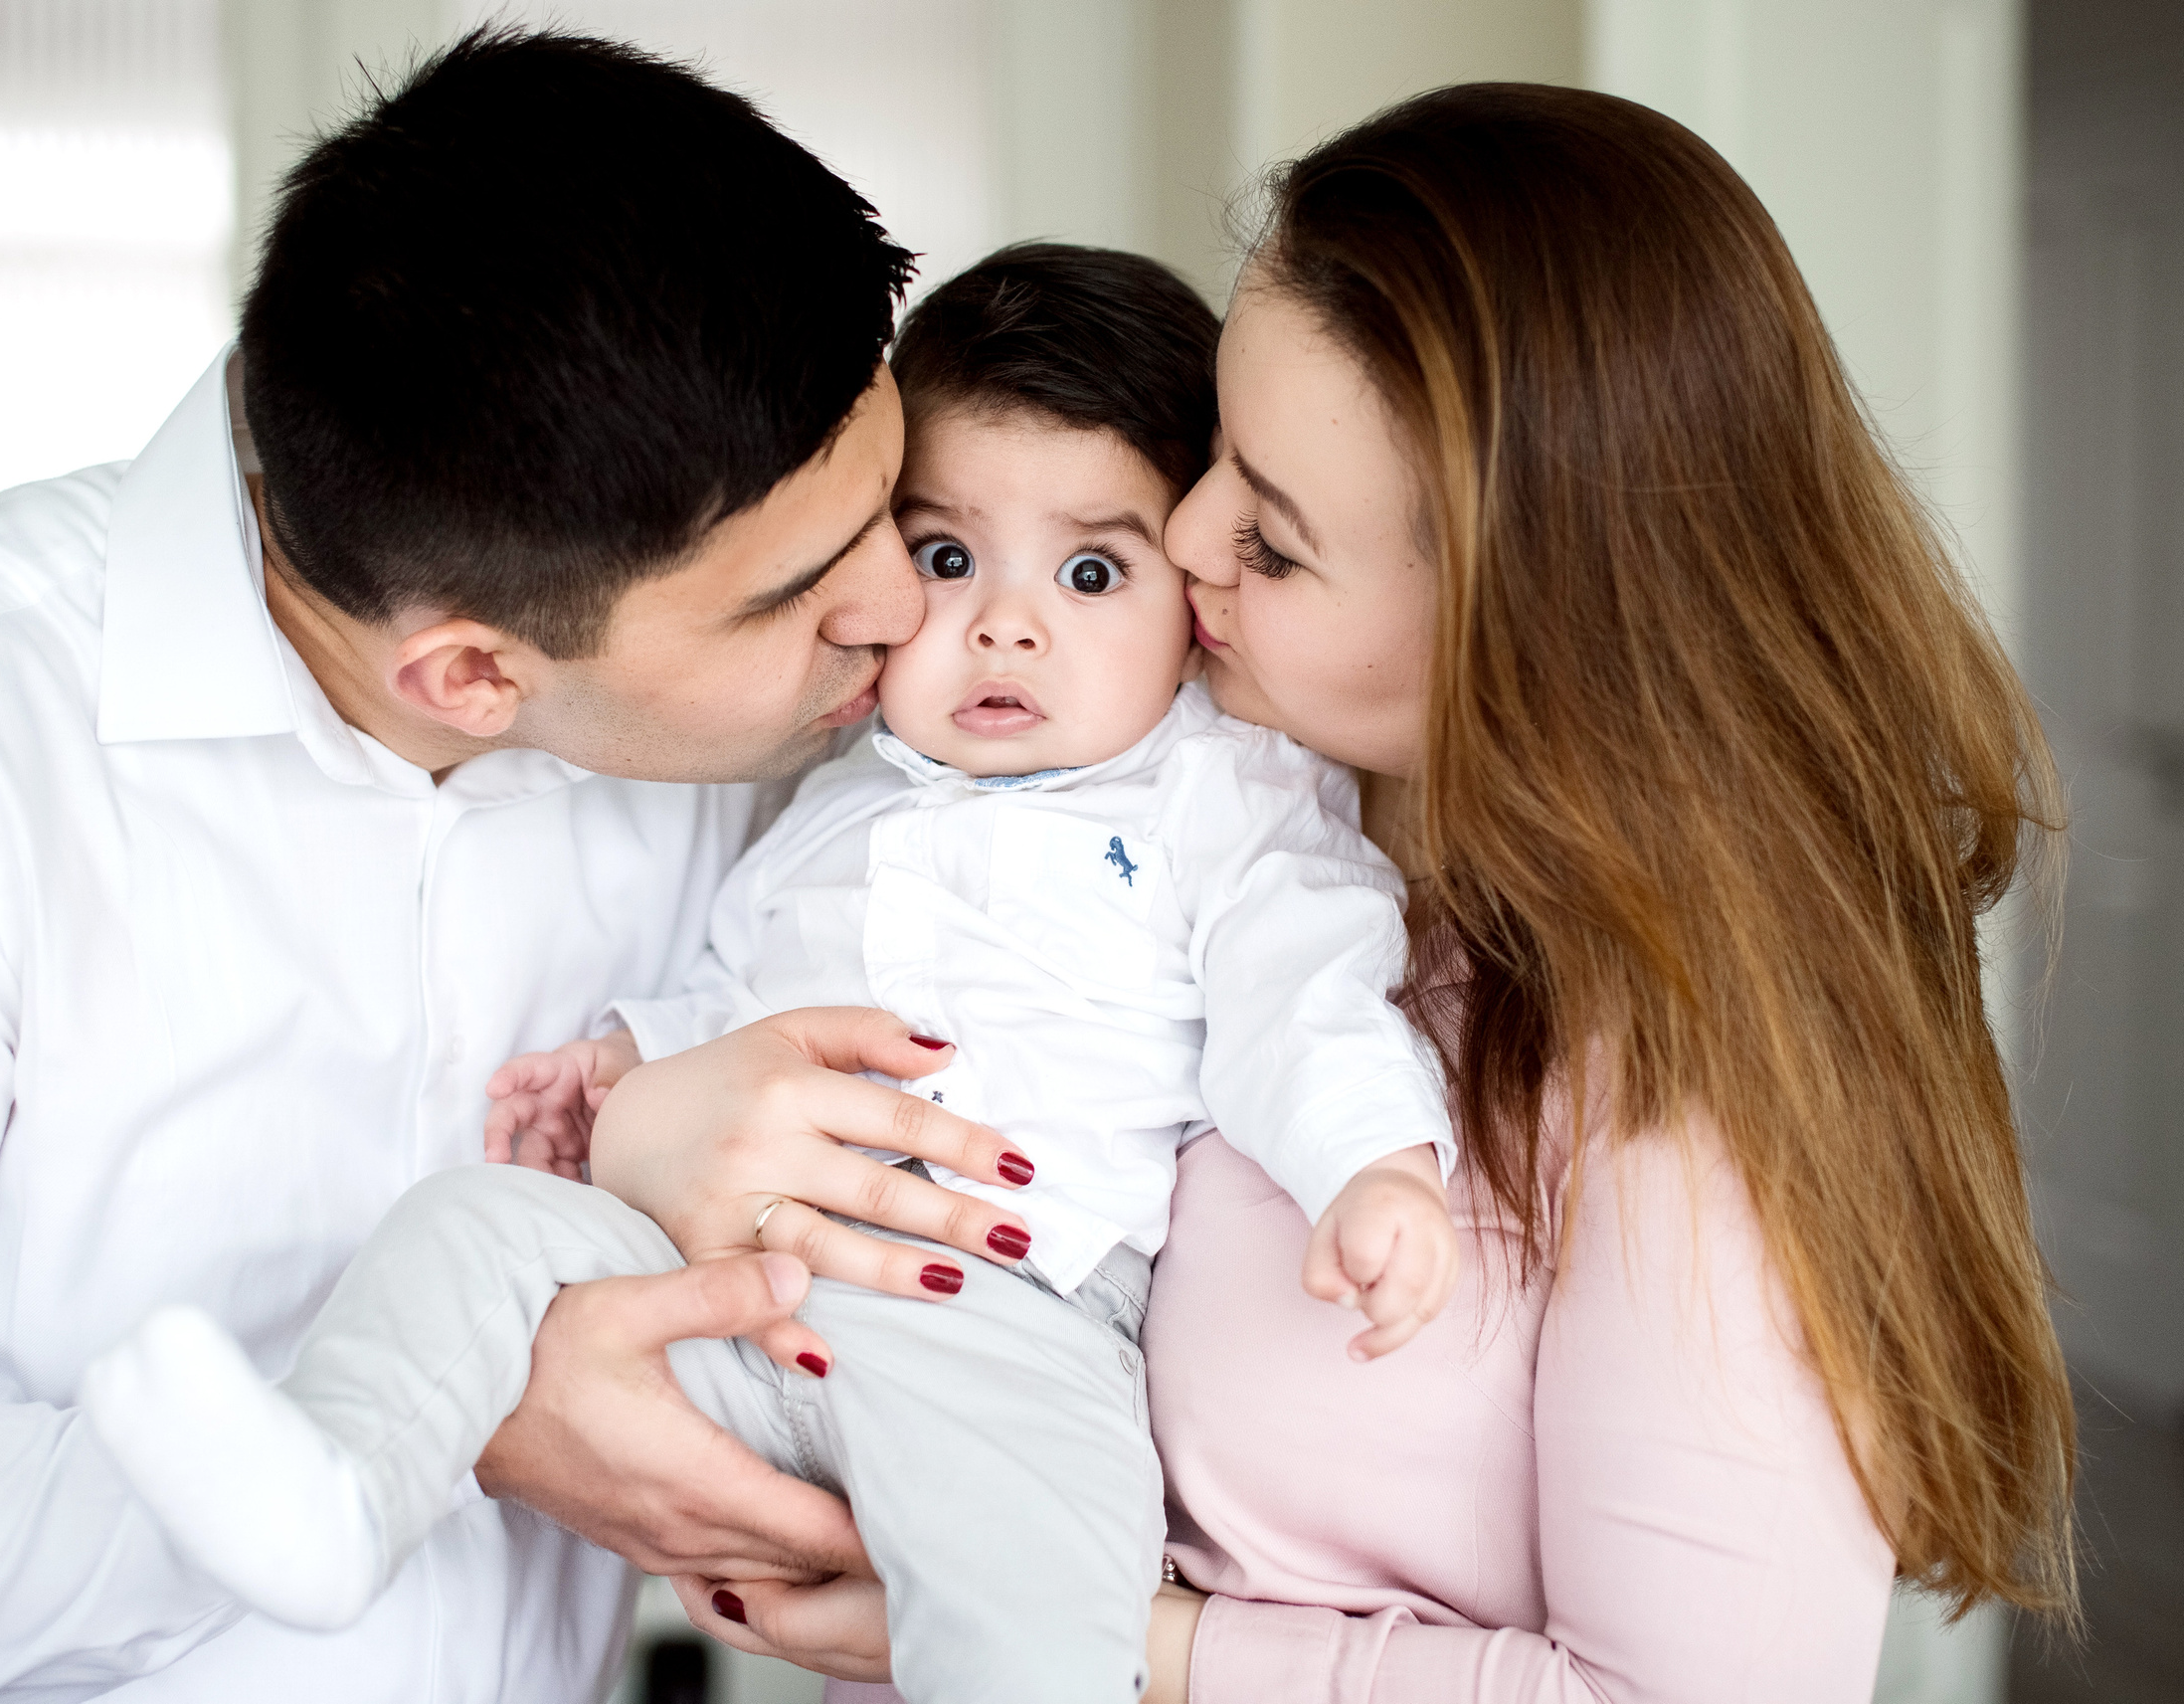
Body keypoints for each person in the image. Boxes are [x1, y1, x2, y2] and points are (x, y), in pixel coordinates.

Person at [0, 30, 1039, 1703]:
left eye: (893, 505)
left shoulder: (796, 726)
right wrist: (438, 1418)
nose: (902, 604)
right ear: (471, 676)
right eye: (797, 588)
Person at [696, 85, 2081, 1703]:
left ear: (1518, 621)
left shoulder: (1689, 1067)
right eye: (1220, 450)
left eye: (1274, 541)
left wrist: (1104, 1636)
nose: (1187, 534)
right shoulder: (1213, 811)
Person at [76, 243, 1460, 1704]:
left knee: (1038, 1610)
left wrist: (1371, 1161)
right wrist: (626, 1062)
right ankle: (344, 1483)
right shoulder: (838, 790)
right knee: (469, 1228)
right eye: (945, 558)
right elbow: (747, 991)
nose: (1005, 622)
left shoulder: (1222, 792)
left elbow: (1304, 989)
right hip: (731, 1297)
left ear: (1191, 606)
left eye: (1091, 571)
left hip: (1003, 1313)